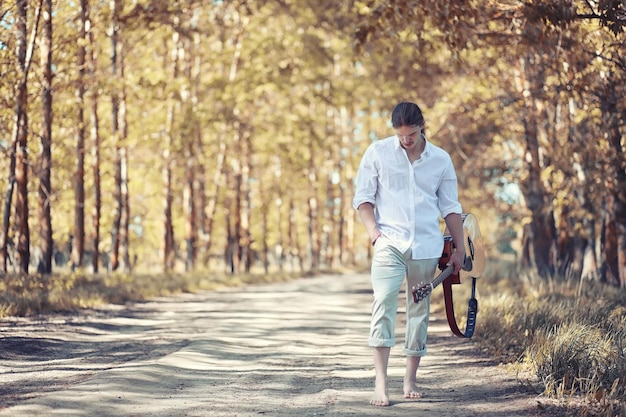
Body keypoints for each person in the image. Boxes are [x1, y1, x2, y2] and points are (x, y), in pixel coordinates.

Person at [352, 101, 465, 406]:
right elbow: (363, 198)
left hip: (425, 247)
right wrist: (374, 233)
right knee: (384, 302)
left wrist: (460, 248)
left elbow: (451, 207)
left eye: (412, 134)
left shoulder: (440, 160)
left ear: (421, 126)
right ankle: (380, 383)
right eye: (401, 135)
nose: (406, 140)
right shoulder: (378, 152)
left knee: (418, 310)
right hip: (388, 243)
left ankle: (410, 379)